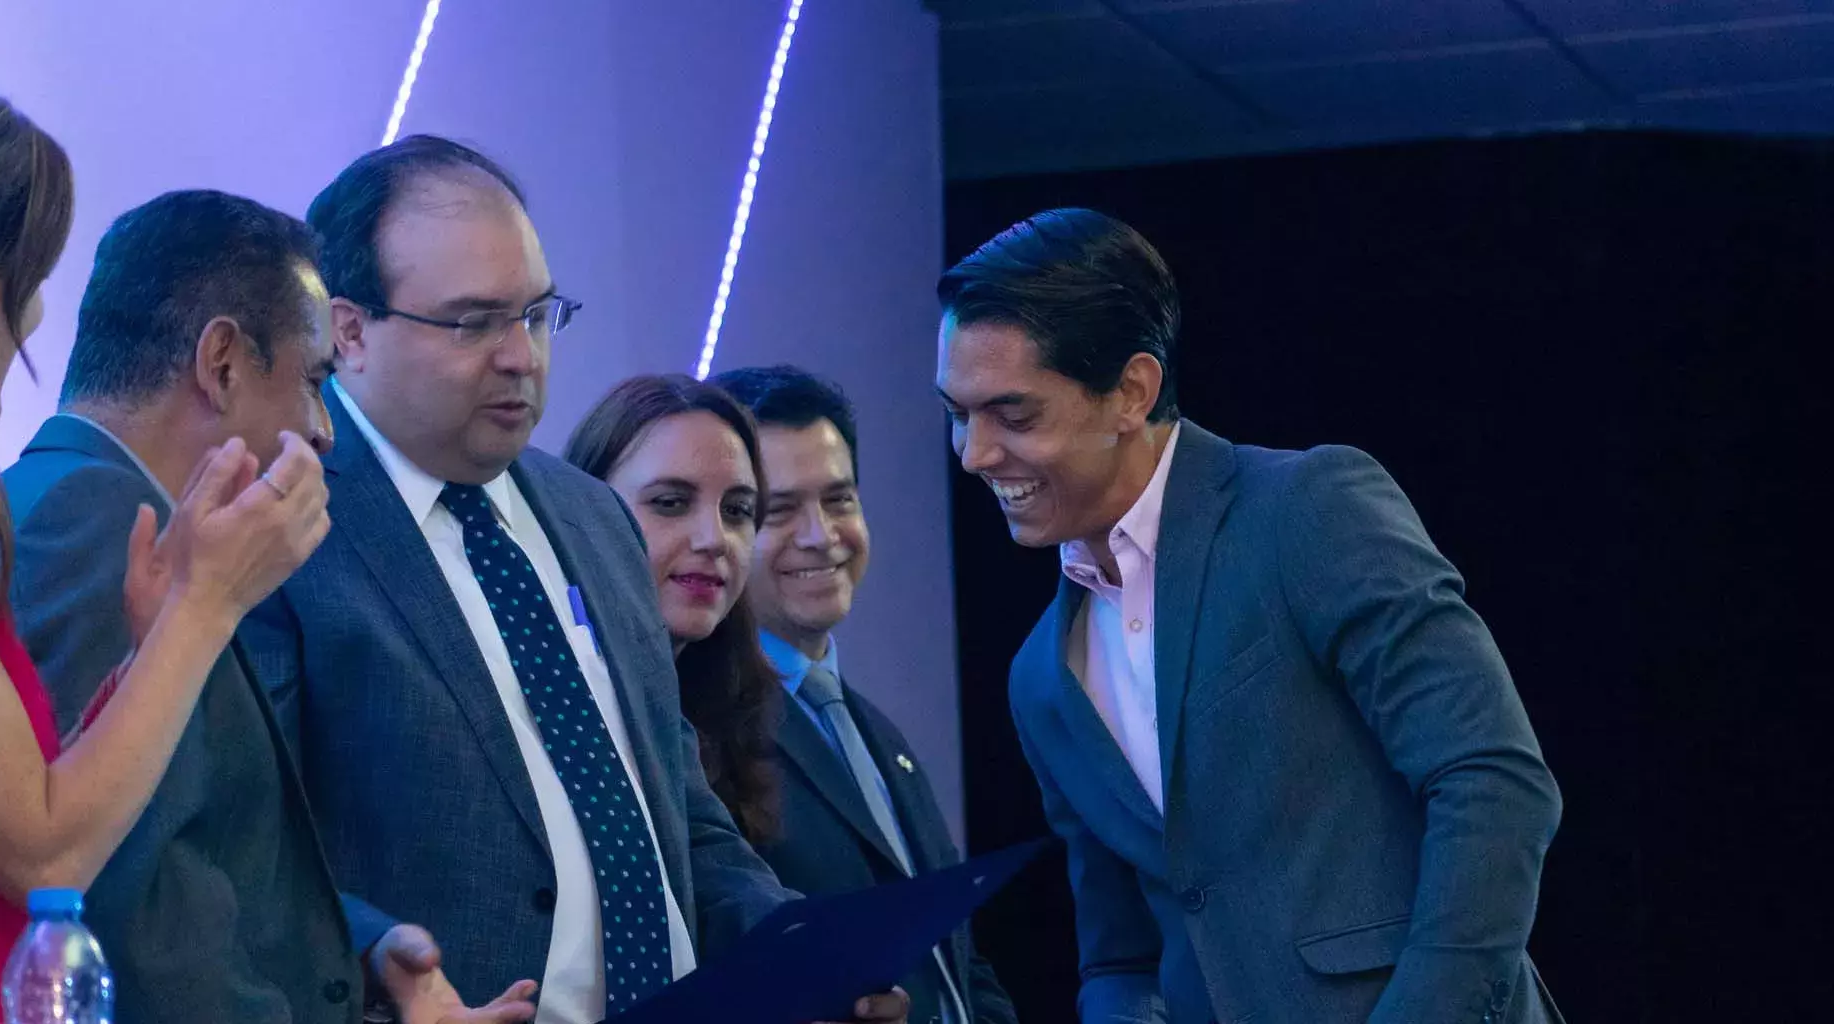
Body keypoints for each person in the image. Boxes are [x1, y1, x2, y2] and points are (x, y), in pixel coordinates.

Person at [237, 135, 907, 1024]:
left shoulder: (591, 518)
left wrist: (799, 945)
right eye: (474, 321)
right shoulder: (281, 527)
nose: (521, 355)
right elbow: (251, 849)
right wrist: (377, 961)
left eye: (537, 314)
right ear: (351, 331)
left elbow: (680, 814)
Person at [935, 208, 1564, 1024]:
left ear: (1132, 391)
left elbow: (1494, 780)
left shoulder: (1306, 509)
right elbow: (1122, 956)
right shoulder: (1040, 676)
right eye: (958, 413)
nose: (975, 453)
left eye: (1014, 416)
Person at [0, 189, 536, 1024]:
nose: (323, 428)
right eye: (315, 381)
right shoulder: (92, 522)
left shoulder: (100, 509)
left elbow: (208, 849)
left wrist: (356, 946)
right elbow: (127, 907)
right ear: (221, 363)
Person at [0, 70, 326, 1023]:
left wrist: (158, 643)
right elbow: (50, 857)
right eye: (30, 281)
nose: (31, 324)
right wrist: (203, 608)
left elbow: (22, 793)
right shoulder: (70, 516)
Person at [708, 365, 1020, 1024]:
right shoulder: (703, 733)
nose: (822, 536)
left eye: (840, 499)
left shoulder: (874, 734)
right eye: (778, 510)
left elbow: (958, 964)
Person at [562, 374, 784, 848]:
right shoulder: (547, 702)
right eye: (670, 503)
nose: (714, 539)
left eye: (738, 510)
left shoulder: (756, 716)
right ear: (579, 511)